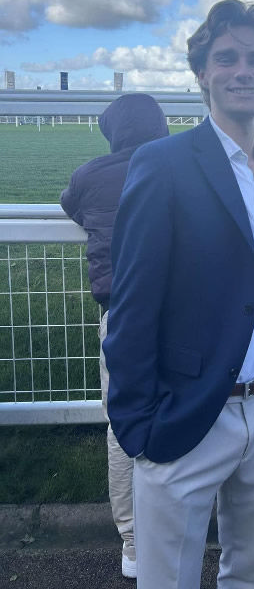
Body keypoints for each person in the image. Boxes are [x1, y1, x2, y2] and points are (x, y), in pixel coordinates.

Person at [103, 0, 254, 589]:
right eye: (228, 58)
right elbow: (133, 303)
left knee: (251, 571)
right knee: (168, 580)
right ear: (202, 73)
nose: (245, 70)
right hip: (186, 411)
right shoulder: (162, 164)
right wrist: (135, 425)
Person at [60, 93, 169, 579]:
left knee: (122, 428)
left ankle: (132, 541)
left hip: (121, 314)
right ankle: (178, 526)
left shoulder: (89, 174)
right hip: (182, 315)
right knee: (192, 420)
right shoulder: (177, 165)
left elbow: (74, 208)